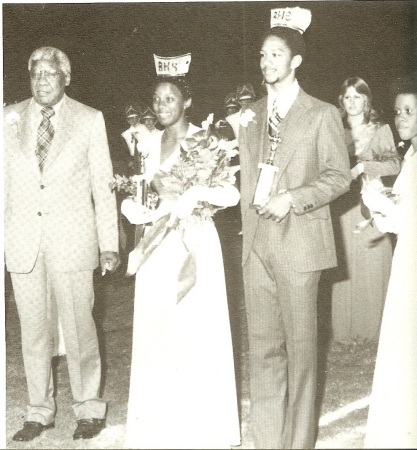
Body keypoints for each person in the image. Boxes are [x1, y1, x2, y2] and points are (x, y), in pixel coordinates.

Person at [238, 7, 351, 449]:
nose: (267, 62)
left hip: (300, 246)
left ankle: (298, 443)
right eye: (263, 55)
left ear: (296, 61)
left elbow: (338, 176)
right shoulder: (248, 115)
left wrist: (292, 197)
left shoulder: (321, 114)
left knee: (301, 355)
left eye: (276, 54)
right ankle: (267, 442)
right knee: (263, 353)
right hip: (257, 245)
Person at [121, 54, 241, 449]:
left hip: (195, 242)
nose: (161, 106)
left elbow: (230, 192)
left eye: (169, 99)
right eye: (156, 100)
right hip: (157, 241)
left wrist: (197, 193)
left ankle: (201, 426)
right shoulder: (148, 141)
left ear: (186, 102)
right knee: (159, 328)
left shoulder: (206, 140)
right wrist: (135, 208)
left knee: (195, 329)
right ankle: (159, 425)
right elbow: (141, 188)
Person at [3, 46, 120, 441]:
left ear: (66, 79)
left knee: (79, 327)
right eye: (36, 74)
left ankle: (88, 408)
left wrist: (109, 242)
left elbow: (104, 188)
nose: (42, 81)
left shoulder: (89, 119)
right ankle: (39, 411)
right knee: (33, 331)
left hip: (73, 242)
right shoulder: (8, 118)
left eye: (51, 74)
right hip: (23, 243)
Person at [363, 73, 417, 448]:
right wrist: (378, 207)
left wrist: (383, 204)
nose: (401, 117)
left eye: (410, 111)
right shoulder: (411, 153)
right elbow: (398, 212)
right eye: (398, 111)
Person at [329, 77, 401, 342]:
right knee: (346, 262)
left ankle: (373, 329)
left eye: (357, 97)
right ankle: (345, 330)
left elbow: (394, 164)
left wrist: (364, 167)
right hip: (342, 204)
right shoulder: (335, 128)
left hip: (371, 202)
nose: (352, 102)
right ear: (341, 101)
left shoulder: (379, 129)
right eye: (347, 97)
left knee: (371, 262)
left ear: (367, 100)